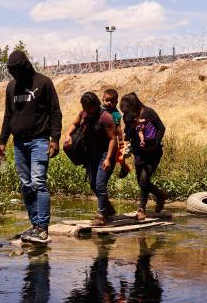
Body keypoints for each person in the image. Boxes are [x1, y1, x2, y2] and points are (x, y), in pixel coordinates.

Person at [0, 50, 62, 246]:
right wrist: (2, 140)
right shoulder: (11, 87)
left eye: (17, 71)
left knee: (38, 182)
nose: (15, 75)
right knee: (26, 184)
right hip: (19, 143)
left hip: (39, 140)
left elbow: (55, 112)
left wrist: (55, 138)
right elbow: (8, 116)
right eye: (12, 72)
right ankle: (35, 224)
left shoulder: (43, 83)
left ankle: (42, 228)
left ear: (25, 67)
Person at [64, 91, 119, 224]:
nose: (88, 110)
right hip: (91, 154)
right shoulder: (83, 113)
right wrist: (67, 135)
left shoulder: (105, 118)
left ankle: (101, 216)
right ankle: (108, 209)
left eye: (90, 107)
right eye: (85, 107)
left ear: (96, 105)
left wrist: (108, 159)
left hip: (106, 154)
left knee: (100, 184)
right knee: (93, 185)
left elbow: (113, 140)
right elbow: (74, 124)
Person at [119, 92, 168, 221]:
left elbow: (161, 128)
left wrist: (154, 143)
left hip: (153, 153)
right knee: (141, 182)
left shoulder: (149, 113)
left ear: (134, 105)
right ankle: (160, 195)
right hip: (138, 153)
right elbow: (128, 132)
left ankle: (141, 208)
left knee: (144, 180)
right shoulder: (128, 116)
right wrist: (125, 141)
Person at [102, 88, 131, 179]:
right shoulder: (100, 109)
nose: (109, 103)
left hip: (112, 137)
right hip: (104, 137)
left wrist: (121, 140)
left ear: (116, 102)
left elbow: (118, 128)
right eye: (107, 100)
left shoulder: (115, 114)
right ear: (103, 99)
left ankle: (124, 167)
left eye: (112, 101)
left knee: (119, 154)